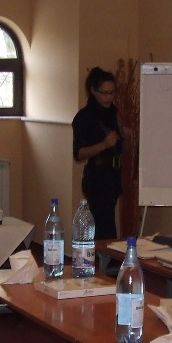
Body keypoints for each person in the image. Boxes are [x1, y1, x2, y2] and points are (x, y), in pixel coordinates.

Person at [72, 66, 123, 240]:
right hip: (97, 178)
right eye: (105, 93)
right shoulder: (84, 117)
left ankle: (105, 255)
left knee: (108, 226)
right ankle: (101, 256)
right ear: (93, 91)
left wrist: (125, 136)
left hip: (113, 176)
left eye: (112, 93)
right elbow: (78, 154)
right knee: (103, 228)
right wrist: (104, 144)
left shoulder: (114, 114)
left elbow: (120, 148)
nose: (109, 97)